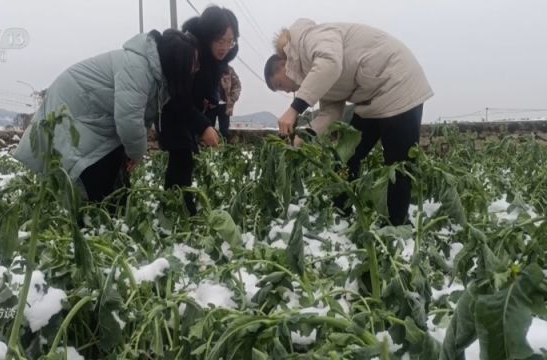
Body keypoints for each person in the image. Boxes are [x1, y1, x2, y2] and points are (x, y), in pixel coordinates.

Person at [264, 19, 433, 225]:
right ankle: (341, 213)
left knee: (398, 165)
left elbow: (330, 64)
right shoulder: (314, 73)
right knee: (346, 155)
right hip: (372, 97)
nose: (288, 91)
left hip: (399, 82)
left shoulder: (308, 39)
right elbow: (330, 112)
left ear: (283, 63)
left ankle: (395, 226)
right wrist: (303, 137)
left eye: (281, 84)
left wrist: (294, 109)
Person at [13, 29, 199, 202]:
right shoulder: (138, 68)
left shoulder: (153, 73)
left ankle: (105, 215)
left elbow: (139, 118)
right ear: (177, 63)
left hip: (92, 117)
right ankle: (94, 219)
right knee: (97, 178)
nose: (195, 68)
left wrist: (132, 152)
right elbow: (129, 121)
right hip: (75, 113)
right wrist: (136, 154)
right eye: (193, 63)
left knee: (112, 183)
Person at [156, 6, 239, 215]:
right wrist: (203, 126)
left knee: (185, 158)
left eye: (231, 41)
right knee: (181, 153)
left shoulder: (219, 57)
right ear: (208, 36)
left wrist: (210, 102)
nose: (225, 47)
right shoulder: (188, 50)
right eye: (220, 41)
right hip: (173, 107)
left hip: (191, 110)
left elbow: (210, 86)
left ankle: (174, 205)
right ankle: (181, 209)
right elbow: (178, 95)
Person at [206, 65, 241, 141]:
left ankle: (224, 150)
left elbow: (237, 85)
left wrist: (231, 100)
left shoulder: (229, 70)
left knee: (224, 131)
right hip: (210, 105)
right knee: (208, 130)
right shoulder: (207, 68)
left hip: (225, 106)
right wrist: (205, 100)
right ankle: (208, 151)